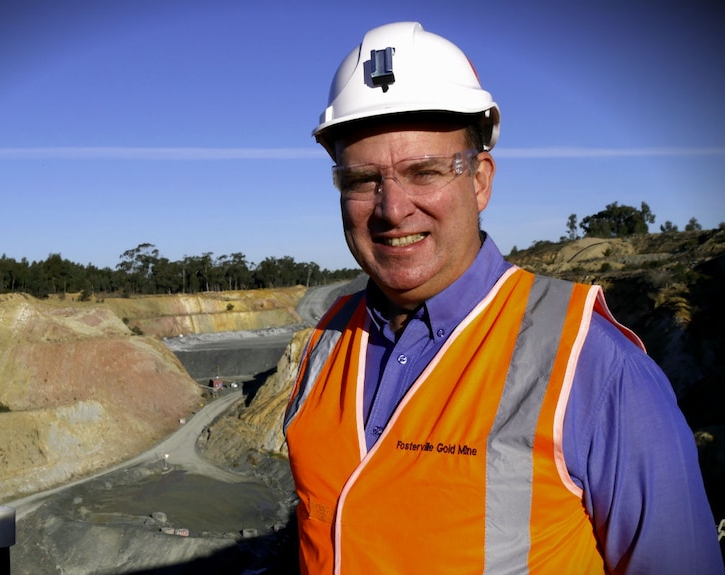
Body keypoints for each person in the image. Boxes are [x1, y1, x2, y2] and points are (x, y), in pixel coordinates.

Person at [283, 21, 724, 574]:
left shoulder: (595, 366)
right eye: (363, 179)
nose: (392, 209)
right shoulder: (326, 341)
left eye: (425, 172)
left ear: (480, 181)